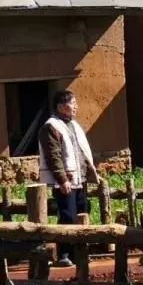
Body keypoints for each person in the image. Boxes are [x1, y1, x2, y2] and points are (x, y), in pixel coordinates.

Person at [38, 90, 101, 268]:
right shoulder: (51, 127)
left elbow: (80, 151)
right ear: (61, 106)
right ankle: (64, 254)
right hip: (65, 181)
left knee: (82, 213)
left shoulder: (72, 125)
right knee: (67, 217)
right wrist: (62, 179)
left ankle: (79, 253)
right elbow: (54, 156)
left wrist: (90, 171)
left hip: (78, 179)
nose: (76, 107)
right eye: (73, 103)